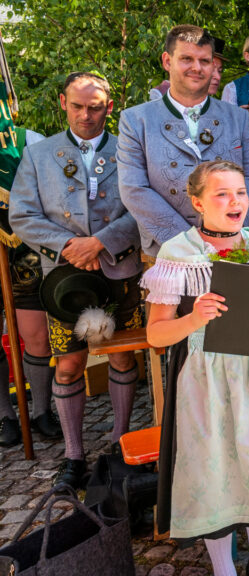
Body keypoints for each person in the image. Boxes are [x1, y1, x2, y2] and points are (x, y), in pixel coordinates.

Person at [143, 160, 249, 576]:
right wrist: (193, 318)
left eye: (240, 192)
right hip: (206, 377)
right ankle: (223, 569)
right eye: (221, 194)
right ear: (198, 203)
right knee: (214, 470)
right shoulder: (179, 254)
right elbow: (156, 336)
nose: (235, 201)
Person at [9, 72, 142, 487]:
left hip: (119, 268)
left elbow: (143, 206)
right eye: (78, 106)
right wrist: (70, 247)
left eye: (95, 107)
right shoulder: (38, 154)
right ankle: (73, 456)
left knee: (123, 357)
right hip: (64, 278)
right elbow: (21, 215)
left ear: (109, 107)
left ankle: (120, 442)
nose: (86, 115)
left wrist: (101, 242)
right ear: (63, 103)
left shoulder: (130, 149)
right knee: (68, 364)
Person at [118, 25, 249, 256]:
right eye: (186, 59)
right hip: (167, 250)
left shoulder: (238, 118)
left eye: (204, 61)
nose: (197, 68)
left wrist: (226, 229)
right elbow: (134, 189)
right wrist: (188, 242)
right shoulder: (136, 120)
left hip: (231, 246)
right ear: (167, 61)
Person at [0, 128, 56, 450]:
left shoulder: (28, 140)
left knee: (37, 335)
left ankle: (41, 411)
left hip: (25, 250)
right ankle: (5, 416)